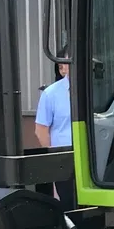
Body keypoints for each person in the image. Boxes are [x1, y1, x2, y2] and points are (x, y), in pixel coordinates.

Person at [34, 55, 75, 210]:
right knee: (69, 206)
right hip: (64, 159)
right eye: (67, 62)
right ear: (61, 68)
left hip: (92, 158)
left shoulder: (96, 89)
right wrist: (54, 160)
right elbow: (41, 130)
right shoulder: (51, 94)